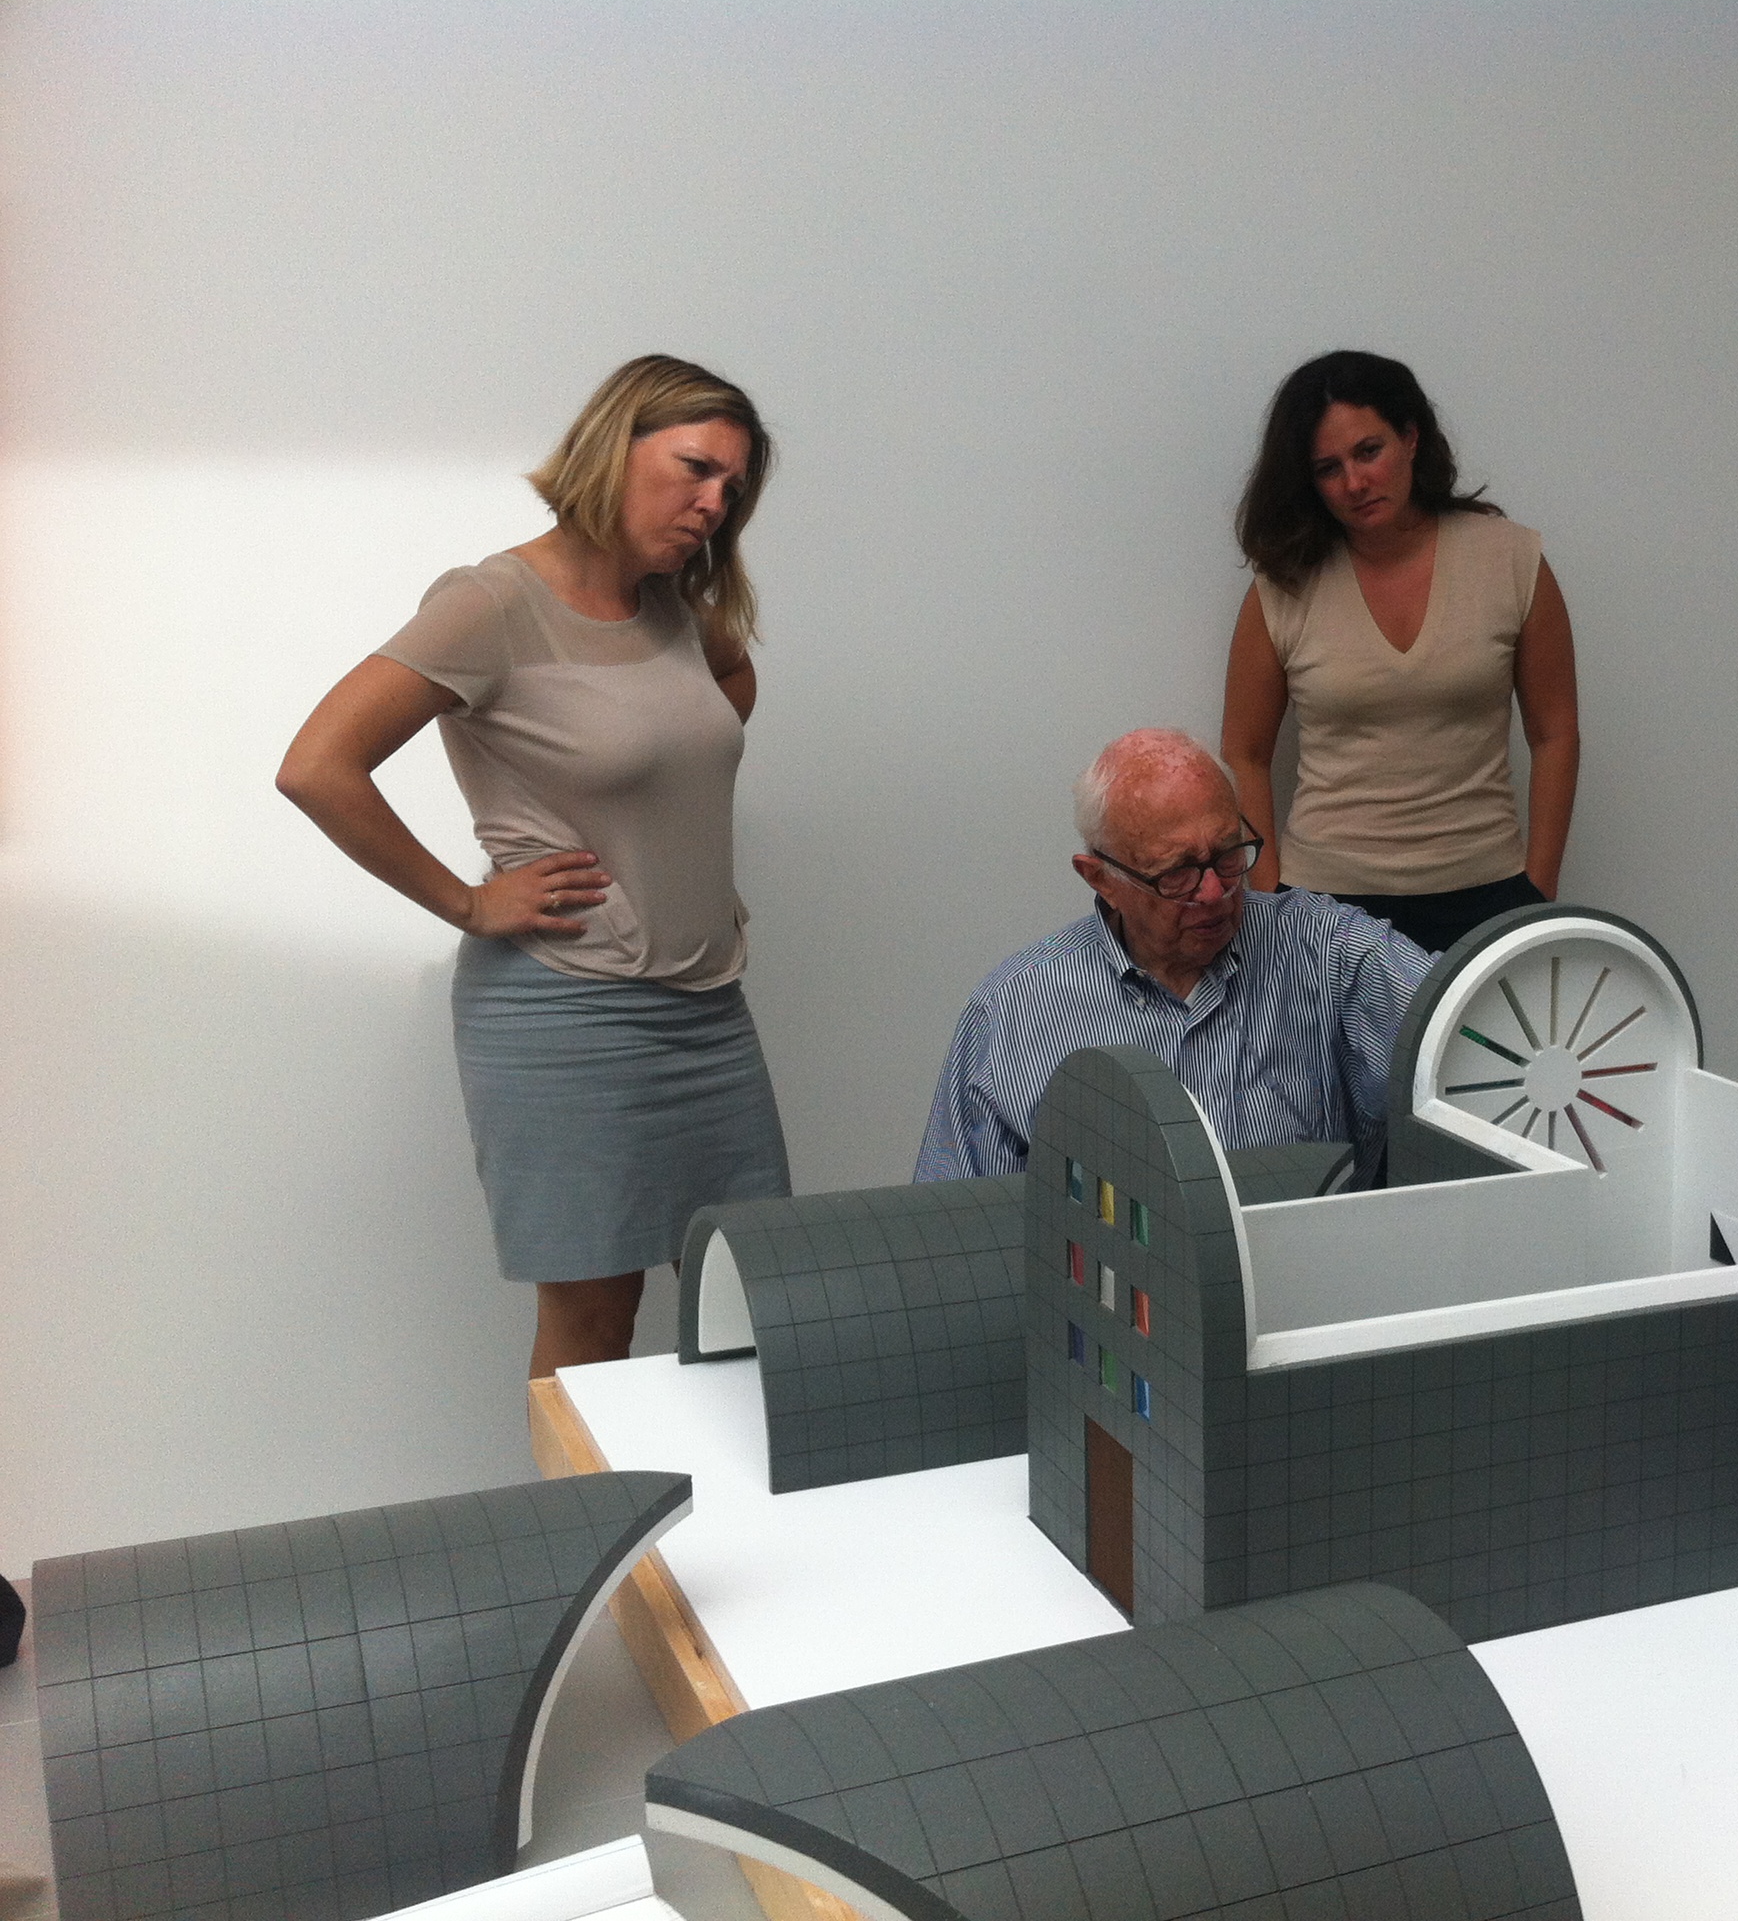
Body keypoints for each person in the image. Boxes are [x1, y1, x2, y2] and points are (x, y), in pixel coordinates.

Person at [277, 355, 793, 1379]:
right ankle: (604, 1546)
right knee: (598, 1326)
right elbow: (317, 766)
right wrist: (470, 900)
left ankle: (714, 1539)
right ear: (613, 446)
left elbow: (723, 690)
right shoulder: (491, 603)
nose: (714, 502)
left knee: (751, 1306)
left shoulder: (673, 612)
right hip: (568, 1015)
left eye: (732, 489)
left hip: (708, 1012)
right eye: (694, 468)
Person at [914, 729, 1435, 1181]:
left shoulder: (1327, 951)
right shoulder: (1013, 1011)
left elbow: (1471, 1027)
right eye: (1176, 873)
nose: (1214, 893)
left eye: (1228, 854)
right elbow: (958, 1224)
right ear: (1102, 879)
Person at [1220, 349, 1580, 957]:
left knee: (1478, 1057)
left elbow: (1556, 734)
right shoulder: (1284, 585)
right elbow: (1244, 752)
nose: (1355, 483)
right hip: (1323, 909)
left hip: (1487, 896)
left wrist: (1535, 893)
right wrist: (1268, 899)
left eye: (1369, 451)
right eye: (1328, 468)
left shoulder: (1511, 561)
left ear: (1411, 437)